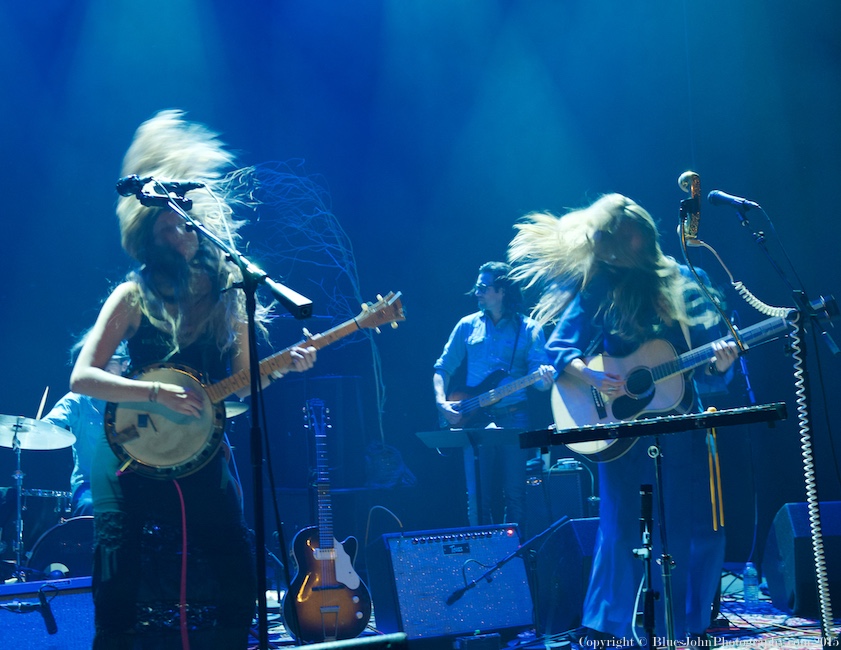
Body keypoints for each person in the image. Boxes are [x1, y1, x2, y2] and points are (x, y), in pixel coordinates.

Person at [70, 110, 317, 649]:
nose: (178, 233)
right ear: (149, 238)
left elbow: (245, 382)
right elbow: (82, 377)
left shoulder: (231, 294)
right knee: (118, 568)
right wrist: (154, 392)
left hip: (203, 448)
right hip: (130, 450)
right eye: (165, 227)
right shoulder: (131, 296)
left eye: (183, 223)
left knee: (234, 560)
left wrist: (284, 366)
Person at [508, 193, 738, 644]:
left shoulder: (688, 281)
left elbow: (709, 365)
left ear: (646, 237)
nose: (626, 249)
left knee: (691, 529)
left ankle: (683, 627)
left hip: (679, 427)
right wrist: (591, 373)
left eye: (633, 240)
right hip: (621, 431)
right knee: (619, 530)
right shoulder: (603, 286)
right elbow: (558, 350)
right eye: (617, 243)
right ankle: (615, 629)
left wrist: (721, 363)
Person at [433, 261, 555, 533]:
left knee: (515, 495)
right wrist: (442, 402)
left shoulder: (530, 329)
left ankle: (515, 557)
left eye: (483, 288)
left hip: (514, 417)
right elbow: (442, 368)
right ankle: (483, 556)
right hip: (474, 418)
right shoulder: (466, 325)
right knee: (477, 498)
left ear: (501, 291)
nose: (476, 292)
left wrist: (546, 379)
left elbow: (541, 384)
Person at [40, 342, 130, 517]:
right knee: (89, 505)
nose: (101, 367)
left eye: (109, 361)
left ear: (124, 364)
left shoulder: (134, 399)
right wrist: (33, 429)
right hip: (89, 484)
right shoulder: (76, 400)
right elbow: (48, 426)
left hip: (130, 482)